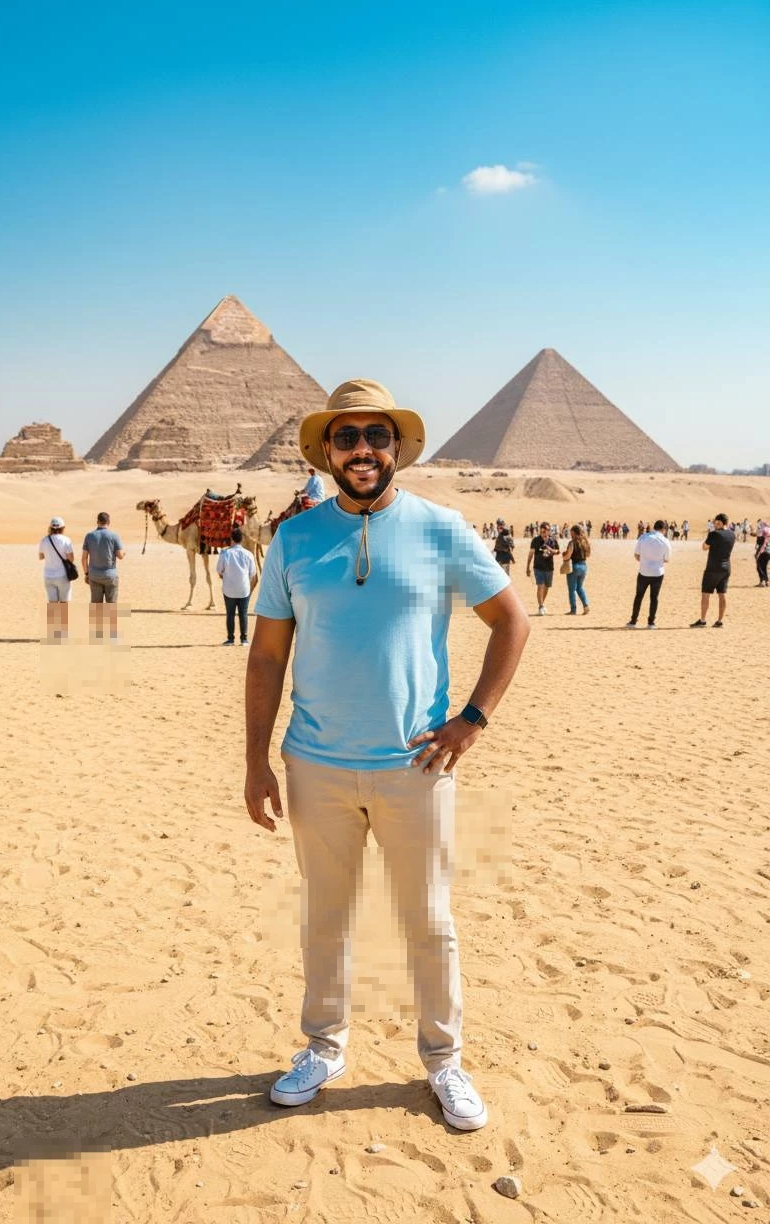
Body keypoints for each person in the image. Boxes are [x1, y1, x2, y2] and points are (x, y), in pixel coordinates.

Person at [244, 378, 529, 1131]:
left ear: (397, 445)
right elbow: (267, 657)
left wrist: (472, 719)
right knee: (325, 917)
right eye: (346, 437)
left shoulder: (442, 528)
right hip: (316, 763)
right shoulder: (295, 539)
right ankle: (323, 1048)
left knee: (428, 922)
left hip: (416, 767)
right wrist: (255, 761)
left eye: (375, 435)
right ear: (326, 451)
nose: (361, 449)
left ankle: (444, 1061)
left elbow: (512, 622)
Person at [82, 512, 125, 641]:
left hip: (94, 575)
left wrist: (86, 573)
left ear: (97, 521)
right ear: (109, 522)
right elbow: (120, 555)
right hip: (110, 575)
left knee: (96, 605)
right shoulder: (114, 536)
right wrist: (124, 551)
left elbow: (84, 558)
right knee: (111, 605)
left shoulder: (89, 536)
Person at [691, 513, 736, 628]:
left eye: (716, 522)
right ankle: (719, 621)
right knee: (722, 594)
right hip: (726, 568)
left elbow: (704, 547)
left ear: (719, 522)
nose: (715, 524)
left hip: (713, 568)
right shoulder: (732, 534)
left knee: (706, 593)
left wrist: (711, 536)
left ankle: (702, 620)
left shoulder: (714, 534)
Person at [216, 527, 257, 645]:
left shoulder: (225, 553)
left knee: (230, 613)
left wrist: (225, 576)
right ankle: (244, 639)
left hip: (229, 589)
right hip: (244, 589)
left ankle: (230, 639)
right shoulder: (248, 554)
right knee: (243, 613)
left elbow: (219, 570)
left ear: (231, 539)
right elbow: (252, 573)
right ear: (241, 540)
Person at [627, 519, 671, 628]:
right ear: (664, 529)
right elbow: (667, 559)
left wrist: (645, 560)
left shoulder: (643, 537)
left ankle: (633, 621)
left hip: (644, 572)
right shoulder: (665, 541)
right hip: (657, 573)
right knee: (654, 597)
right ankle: (651, 623)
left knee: (639, 596)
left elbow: (636, 555)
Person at [38, 516, 75, 642]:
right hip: (62, 575)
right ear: (62, 528)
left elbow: (40, 556)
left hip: (48, 575)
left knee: (53, 604)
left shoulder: (44, 540)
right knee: (64, 604)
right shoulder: (66, 540)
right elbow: (71, 558)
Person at [526, 521, 559, 615]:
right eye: (542, 531)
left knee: (547, 587)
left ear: (549, 531)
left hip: (549, 567)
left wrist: (550, 549)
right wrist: (527, 567)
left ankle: (542, 604)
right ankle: (540, 606)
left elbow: (557, 551)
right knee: (540, 585)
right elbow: (531, 554)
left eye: (546, 531)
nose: (544, 533)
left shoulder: (552, 540)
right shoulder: (535, 540)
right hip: (538, 567)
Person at [561, 524, 591, 614]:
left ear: (574, 532)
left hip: (574, 566)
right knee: (580, 587)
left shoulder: (572, 542)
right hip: (584, 566)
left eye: (571, 532)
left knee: (572, 589)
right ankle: (586, 605)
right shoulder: (585, 542)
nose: (571, 534)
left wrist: (564, 557)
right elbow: (588, 555)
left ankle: (573, 609)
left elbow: (569, 554)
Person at [756, 522, 770, 587]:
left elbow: (761, 546)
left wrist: (757, 554)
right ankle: (767, 581)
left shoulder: (763, 537)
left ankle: (763, 582)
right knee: (764, 567)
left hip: (763, 553)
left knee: (759, 567)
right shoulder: (768, 536)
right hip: (768, 553)